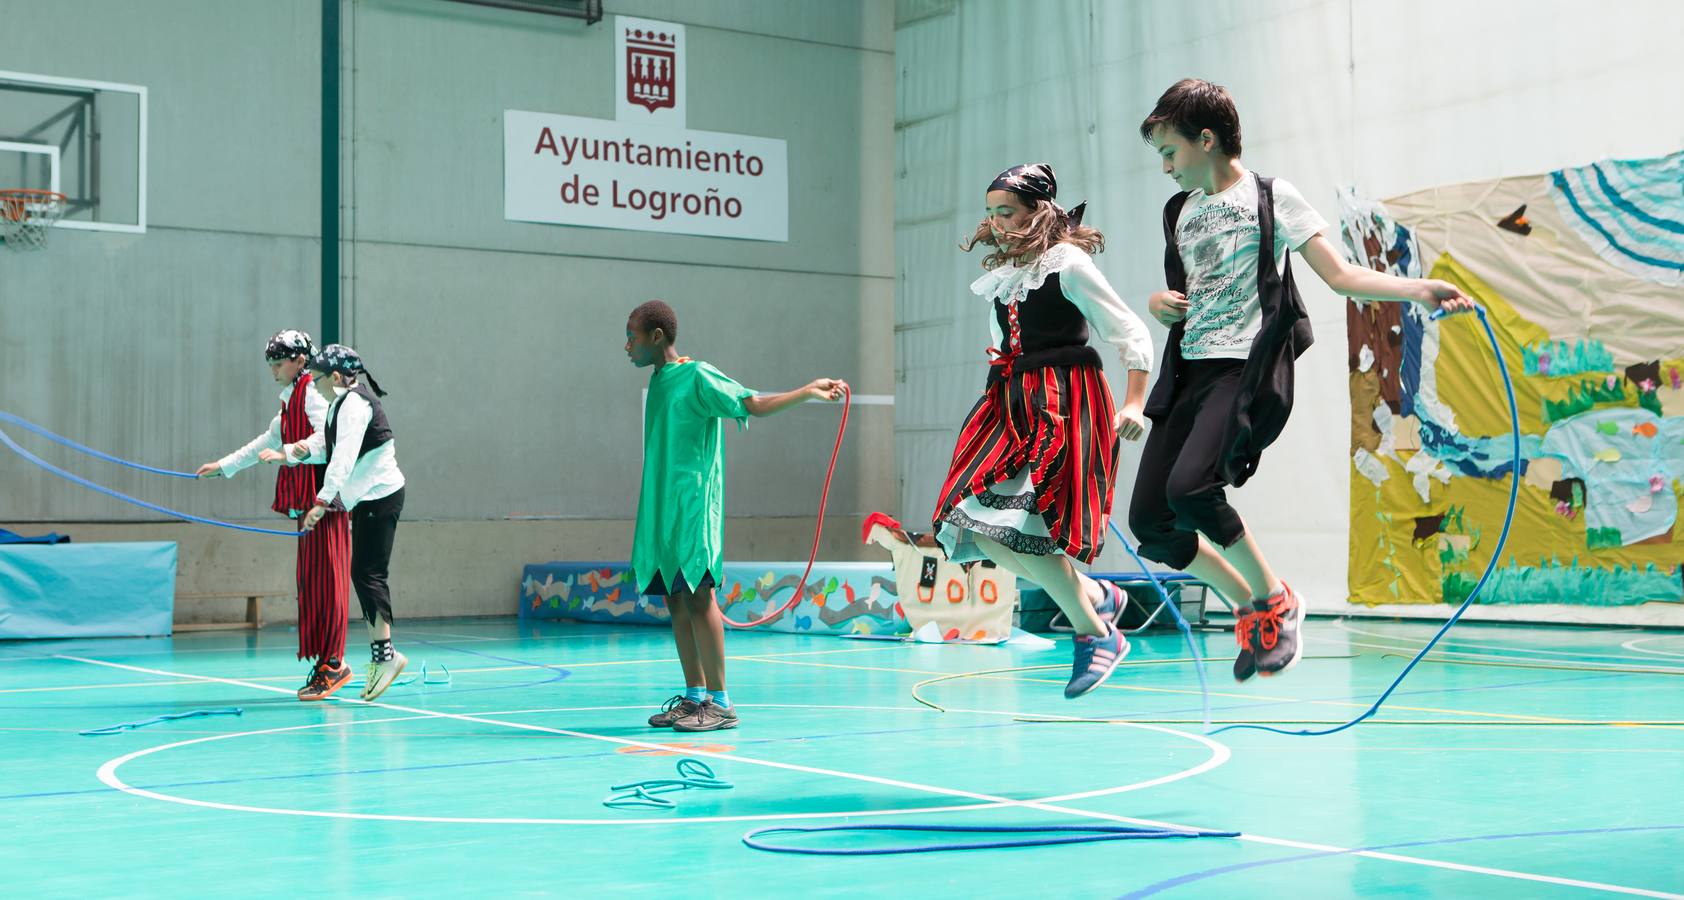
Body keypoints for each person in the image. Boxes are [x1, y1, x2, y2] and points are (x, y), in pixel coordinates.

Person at [1129, 78, 1476, 682]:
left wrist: (1420, 290)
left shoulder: (1270, 197)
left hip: (1242, 369)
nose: (1164, 167)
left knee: (1191, 489)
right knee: (1150, 524)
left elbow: (1340, 277)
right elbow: (1186, 293)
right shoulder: (1179, 212)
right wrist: (1160, 302)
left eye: (1169, 152)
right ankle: (1249, 604)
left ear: (1206, 139)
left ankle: (1276, 602)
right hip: (1187, 372)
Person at [931, 163, 1156, 699]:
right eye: (989, 214)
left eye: (1005, 211)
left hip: (1063, 401)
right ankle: (1095, 598)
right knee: (972, 522)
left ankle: (1095, 632)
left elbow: (1129, 330)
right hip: (1010, 403)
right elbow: (1004, 347)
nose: (995, 222)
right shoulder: (1003, 276)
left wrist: (1134, 404)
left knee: (1034, 529)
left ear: (1039, 212)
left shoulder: (1067, 265)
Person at [626, 299, 847, 732]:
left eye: (632, 336)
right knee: (674, 598)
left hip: (691, 509)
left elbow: (753, 404)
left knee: (698, 596)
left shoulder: (699, 376)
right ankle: (694, 697)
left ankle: (722, 702)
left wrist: (806, 391)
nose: (626, 345)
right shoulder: (659, 381)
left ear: (656, 337)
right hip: (660, 510)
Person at [197, 330, 351, 701]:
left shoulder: (313, 393)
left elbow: (328, 440)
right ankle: (326, 663)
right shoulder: (290, 399)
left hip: (326, 503)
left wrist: (289, 453)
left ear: (300, 360)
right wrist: (223, 466)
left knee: (329, 587)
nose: (273, 371)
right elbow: (266, 441)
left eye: (278, 363)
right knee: (312, 588)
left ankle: (335, 664)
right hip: (308, 508)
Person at [293, 344, 411, 702]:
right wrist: (297, 451)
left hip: (381, 495)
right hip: (366, 498)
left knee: (368, 574)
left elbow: (343, 458)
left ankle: (386, 657)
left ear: (334, 377)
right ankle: (384, 656)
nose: (312, 384)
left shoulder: (356, 405)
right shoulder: (340, 406)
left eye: (316, 378)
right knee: (362, 574)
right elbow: (331, 449)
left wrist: (321, 500)